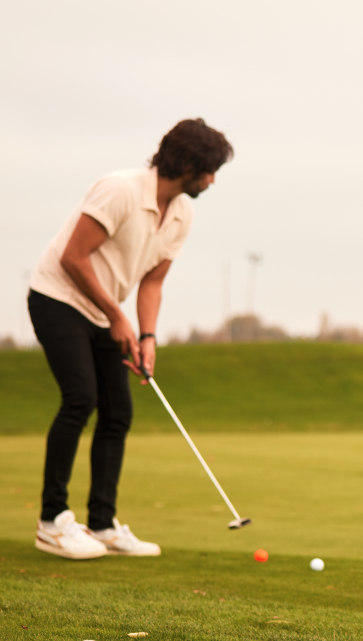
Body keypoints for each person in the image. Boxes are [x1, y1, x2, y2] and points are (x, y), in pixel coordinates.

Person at [27, 118, 233, 559]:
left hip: (105, 311)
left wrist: (148, 336)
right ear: (188, 163)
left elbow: (153, 283)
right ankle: (52, 522)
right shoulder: (120, 190)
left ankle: (101, 524)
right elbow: (73, 258)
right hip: (57, 296)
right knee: (81, 398)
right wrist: (116, 316)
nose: (213, 179)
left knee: (117, 412)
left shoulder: (181, 212)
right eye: (209, 169)